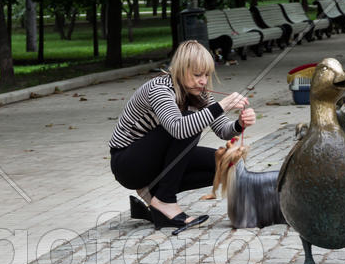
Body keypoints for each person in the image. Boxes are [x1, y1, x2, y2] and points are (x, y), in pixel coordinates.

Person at [109, 40, 256, 231]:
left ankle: (156, 196)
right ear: (180, 69)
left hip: (154, 160)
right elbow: (179, 128)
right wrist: (222, 106)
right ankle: (165, 200)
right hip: (128, 163)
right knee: (187, 120)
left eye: (206, 75)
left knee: (226, 164)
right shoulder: (160, 89)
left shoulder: (199, 92)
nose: (203, 81)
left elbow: (222, 130)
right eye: (197, 75)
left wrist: (239, 124)